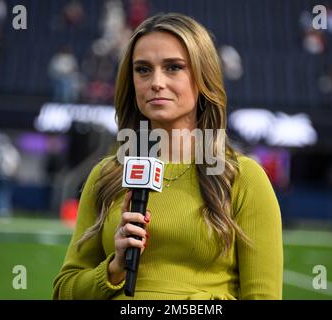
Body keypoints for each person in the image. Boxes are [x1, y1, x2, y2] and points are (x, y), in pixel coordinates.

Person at [53, 13, 283, 300]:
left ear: (203, 77)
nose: (156, 82)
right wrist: (113, 269)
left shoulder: (243, 177)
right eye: (143, 70)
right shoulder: (107, 175)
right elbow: (64, 293)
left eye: (174, 67)